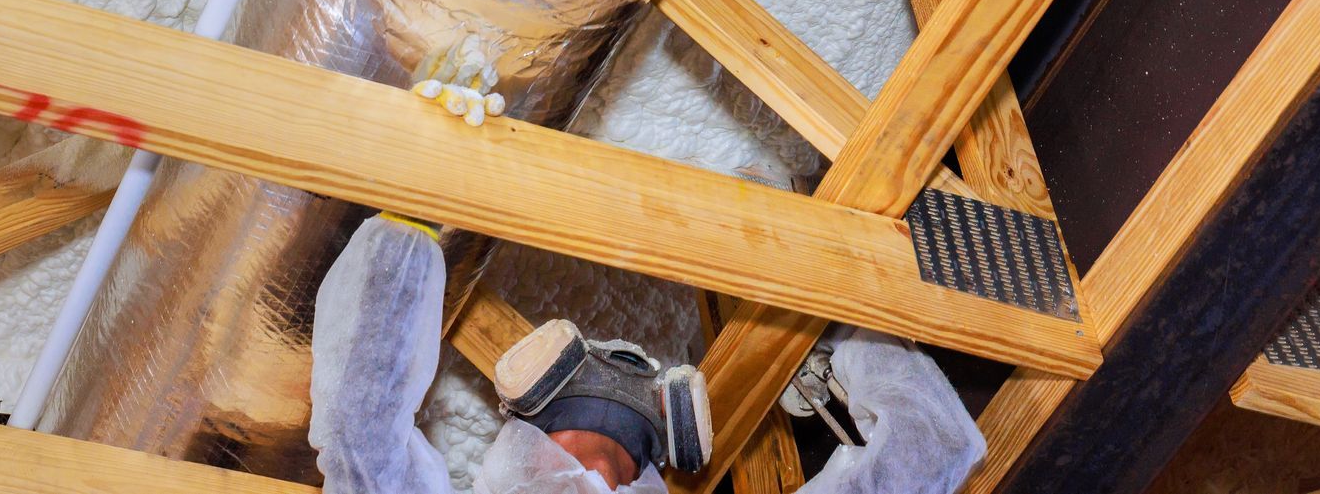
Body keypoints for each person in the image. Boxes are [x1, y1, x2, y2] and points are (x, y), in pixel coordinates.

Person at [309, 213, 989, 492]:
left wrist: (405, 225)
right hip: (613, 435)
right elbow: (932, 448)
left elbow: (358, 436)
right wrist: (834, 312)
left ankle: (584, 439)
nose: (594, 478)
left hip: (572, 428)